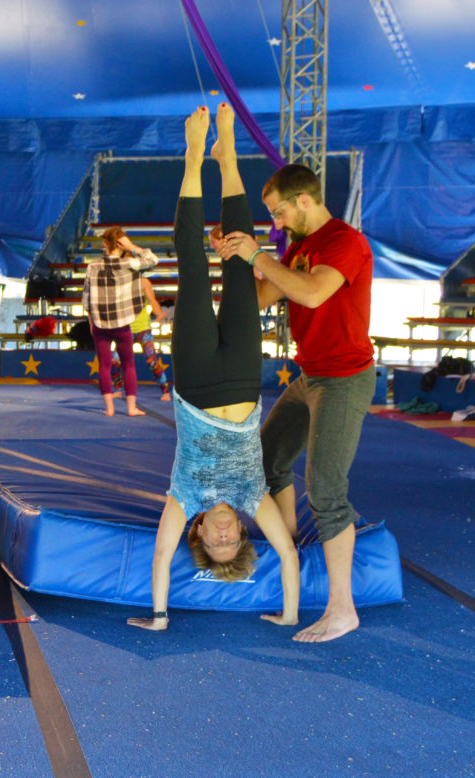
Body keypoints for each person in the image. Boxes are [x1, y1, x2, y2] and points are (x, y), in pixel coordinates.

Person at [127, 104, 299, 632]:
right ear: (241, 534)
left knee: (193, 264)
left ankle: (195, 157)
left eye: (213, 544)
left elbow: (160, 558)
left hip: (197, 378)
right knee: (240, 261)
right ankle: (228, 156)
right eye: (232, 543)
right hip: (247, 374)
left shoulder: (185, 497)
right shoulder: (254, 497)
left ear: (198, 533)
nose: (224, 538)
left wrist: (159, 616)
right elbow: (289, 557)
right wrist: (290, 614)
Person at [219, 160, 375, 644]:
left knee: (327, 491)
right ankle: (291, 552)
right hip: (311, 376)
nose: (276, 223)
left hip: (344, 379)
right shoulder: (301, 246)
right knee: (265, 460)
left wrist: (260, 255)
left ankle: (341, 608)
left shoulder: (345, 242)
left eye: (279, 213)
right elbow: (267, 295)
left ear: (303, 200)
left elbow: (309, 294)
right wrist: (235, 260)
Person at [83, 226, 159, 416]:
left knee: (105, 366)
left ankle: (109, 408)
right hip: (123, 324)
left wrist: (92, 322)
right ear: (121, 244)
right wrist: (133, 247)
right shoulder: (130, 264)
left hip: (100, 325)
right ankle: (131, 408)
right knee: (129, 364)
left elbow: (86, 300)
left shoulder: (92, 266)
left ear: (105, 244)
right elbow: (153, 261)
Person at [111, 275, 173, 401]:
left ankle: (165, 391)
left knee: (151, 361)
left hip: (143, 329)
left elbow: (152, 300)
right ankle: (118, 389)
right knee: (114, 359)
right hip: (125, 329)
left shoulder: (144, 282)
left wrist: (159, 313)